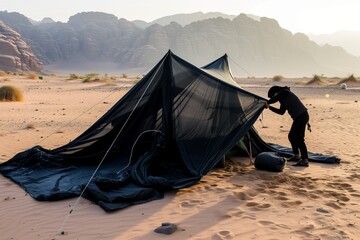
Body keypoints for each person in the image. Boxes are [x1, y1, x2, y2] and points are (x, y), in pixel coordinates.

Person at [265, 86, 310, 167]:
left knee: (299, 139)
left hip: (301, 116)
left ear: (276, 92)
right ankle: (296, 156)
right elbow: (281, 112)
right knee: (291, 136)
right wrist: (269, 107)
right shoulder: (283, 99)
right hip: (299, 117)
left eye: (273, 96)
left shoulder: (285, 92)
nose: (273, 97)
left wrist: (268, 102)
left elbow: (275, 98)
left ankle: (305, 160)